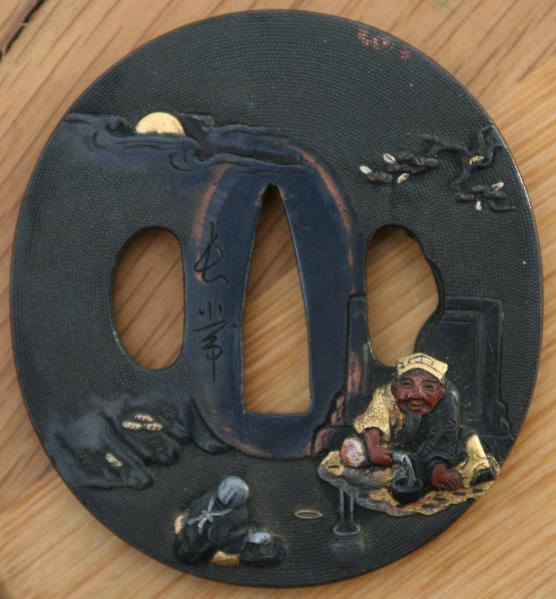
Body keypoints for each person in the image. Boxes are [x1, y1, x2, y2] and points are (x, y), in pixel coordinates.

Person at [340, 352, 495, 491]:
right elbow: (374, 435)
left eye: (428, 387)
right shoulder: (383, 396)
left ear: (440, 390)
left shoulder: (449, 397)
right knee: (353, 451)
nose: (416, 395)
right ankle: (405, 473)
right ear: (395, 385)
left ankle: (478, 467)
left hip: (429, 447)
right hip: (393, 448)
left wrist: (437, 469)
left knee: (468, 435)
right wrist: (379, 451)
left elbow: (444, 435)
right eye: (407, 385)